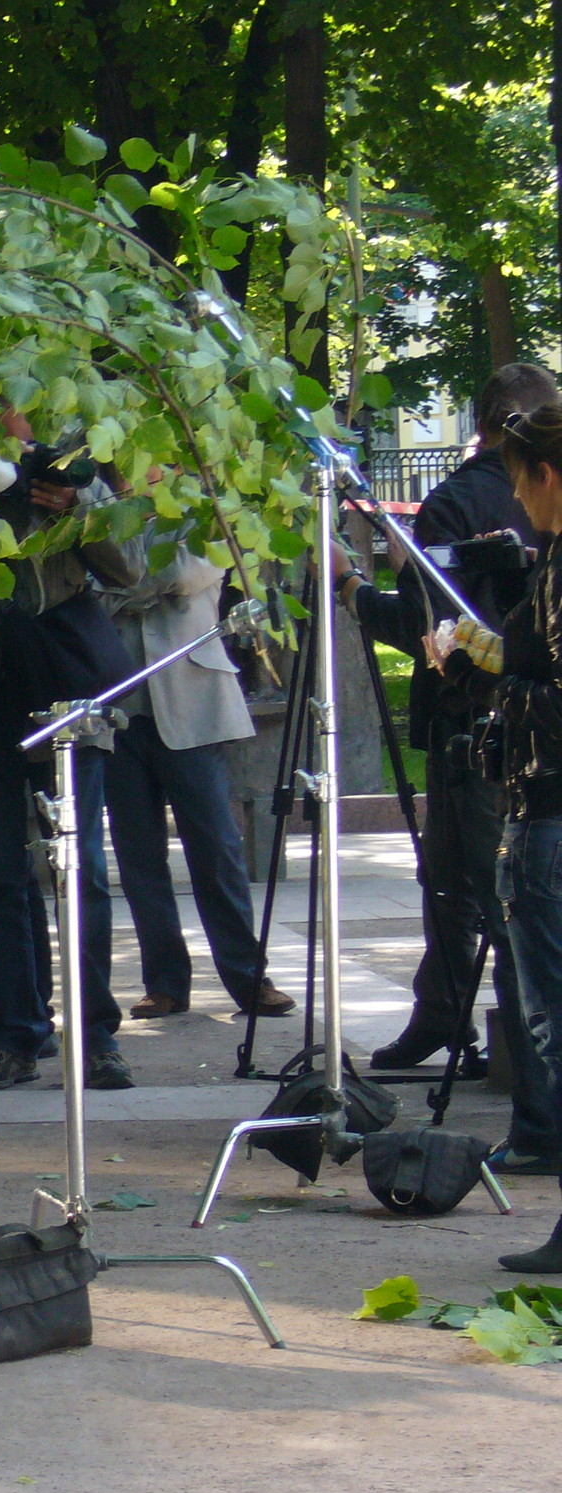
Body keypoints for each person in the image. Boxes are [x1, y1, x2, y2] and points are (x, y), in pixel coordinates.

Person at [335, 362, 561, 1177]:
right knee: (497, 913)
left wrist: (359, 596)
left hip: (513, 758)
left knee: (497, 912)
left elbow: (446, 633)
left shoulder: (475, 506)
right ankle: (453, 1027)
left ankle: (537, 1118)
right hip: (517, 747)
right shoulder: (524, 526)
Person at [0, 410, 139, 1091]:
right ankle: (14, 1031)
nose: (3, 416)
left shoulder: (67, 468)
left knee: (82, 870)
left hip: (62, 688)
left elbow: (125, 566)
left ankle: (95, 1034)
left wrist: (81, 504)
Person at [101, 533, 296, 1022]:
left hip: (194, 703)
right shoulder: (100, 520)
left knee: (216, 850)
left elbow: (184, 574)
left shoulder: (203, 510)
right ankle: (163, 983)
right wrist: (129, 583)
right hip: (119, 708)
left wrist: (123, 581)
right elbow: (87, 593)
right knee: (138, 857)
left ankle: (249, 978)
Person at [484, 404, 562, 1271]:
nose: (515, 500)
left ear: (542, 475)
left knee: (554, 1020)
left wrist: (500, 669)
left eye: (516, 481)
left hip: (549, 810)